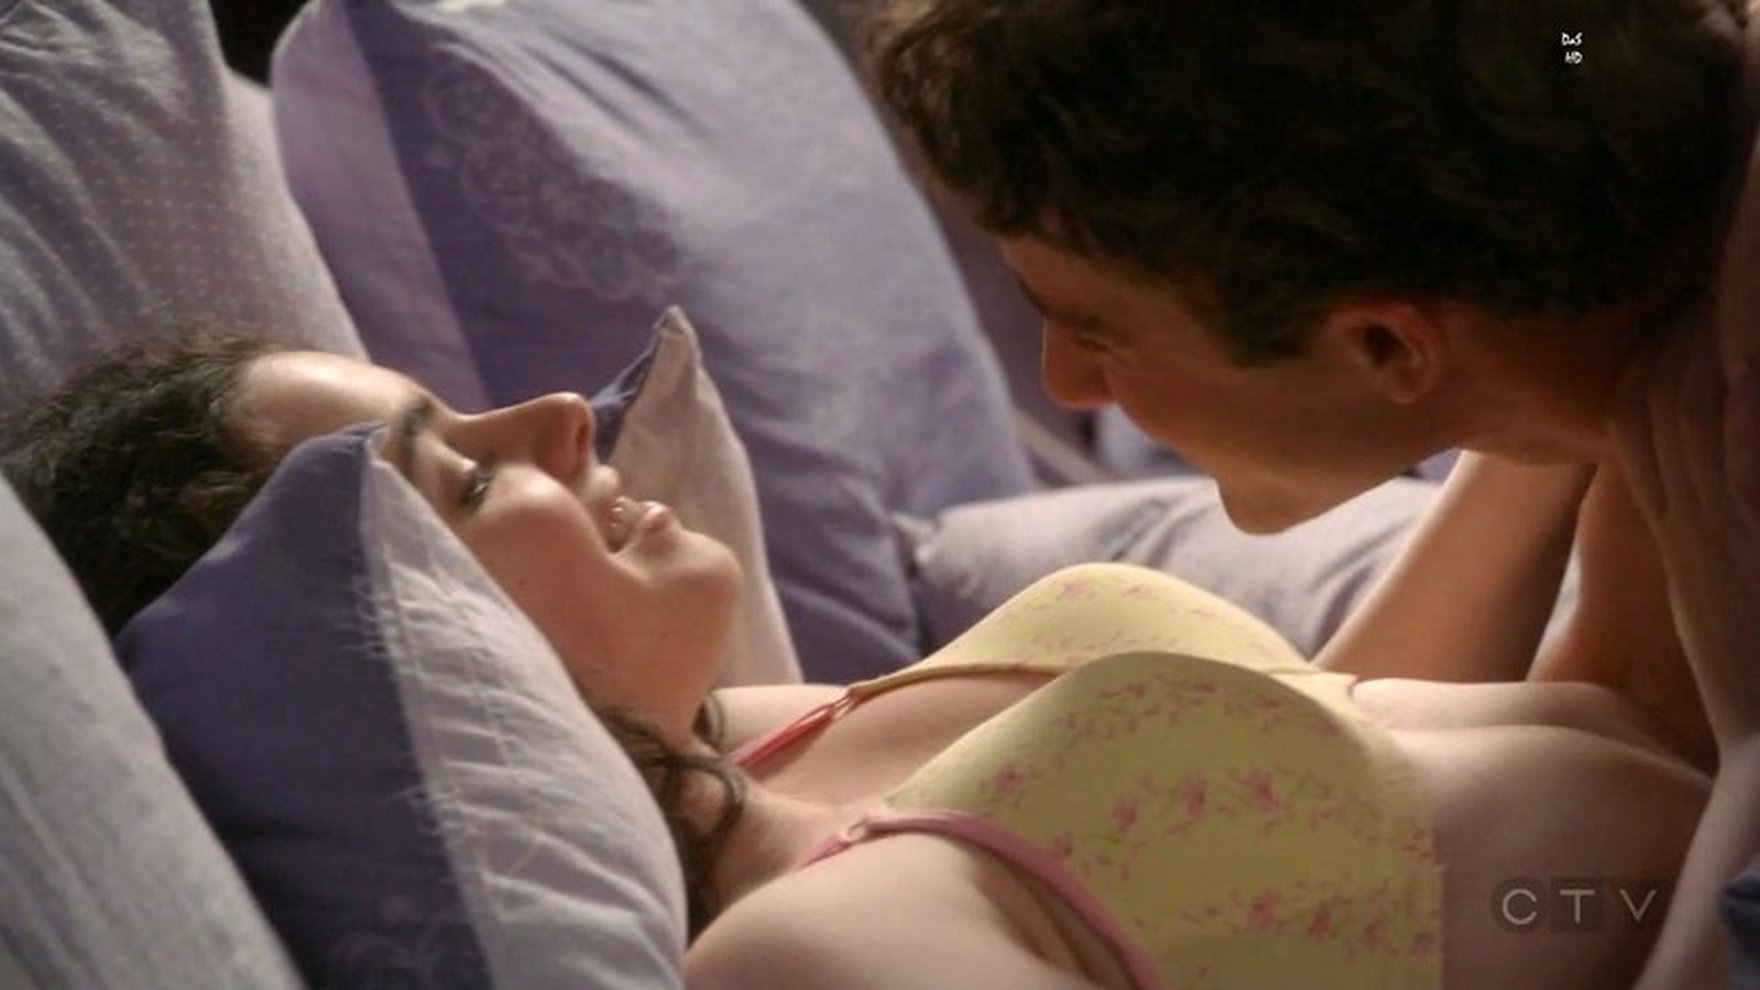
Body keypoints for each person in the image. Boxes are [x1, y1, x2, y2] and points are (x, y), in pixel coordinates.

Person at [0, 333, 1734, 987]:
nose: (558, 412)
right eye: (458, 476)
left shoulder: (773, 736)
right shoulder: (807, 958)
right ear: (382, 652)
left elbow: (1348, 792)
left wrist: (1573, 383)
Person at [866, 4, 1760, 984]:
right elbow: (1572, 765)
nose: (1066, 386)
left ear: (1381, 342)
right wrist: (1522, 408)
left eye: (1096, 336)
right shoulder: (1644, 343)